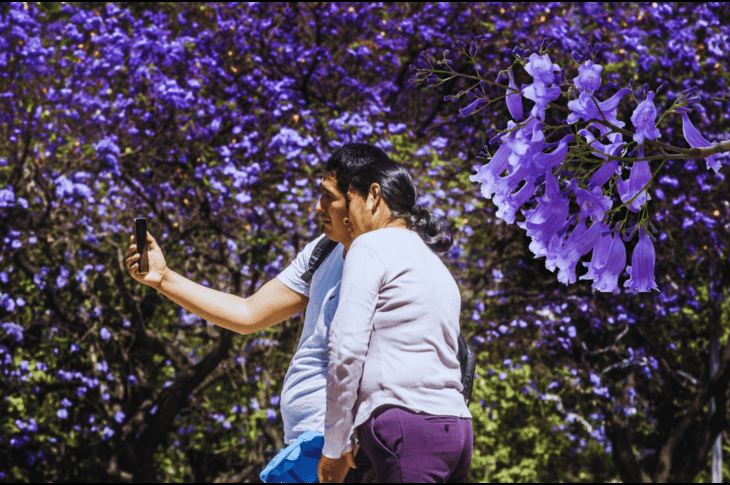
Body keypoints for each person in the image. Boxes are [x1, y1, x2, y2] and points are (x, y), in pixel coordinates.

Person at [124, 143, 402, 483]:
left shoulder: (396, 261)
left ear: (363, 198)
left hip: (349, 453)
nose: (318, 207)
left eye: (328, 196)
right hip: (306, 445)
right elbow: (248, 313)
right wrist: (164, 279)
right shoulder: (324, 248)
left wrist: (346, 448)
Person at [317, 158, 473, 483]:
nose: (347, 216)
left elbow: (346, 351)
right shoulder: (433, 263)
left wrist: (334, 448)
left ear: (373, 196)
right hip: (456, 429)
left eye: (351, 199)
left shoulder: (370, 245)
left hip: (408, 428)